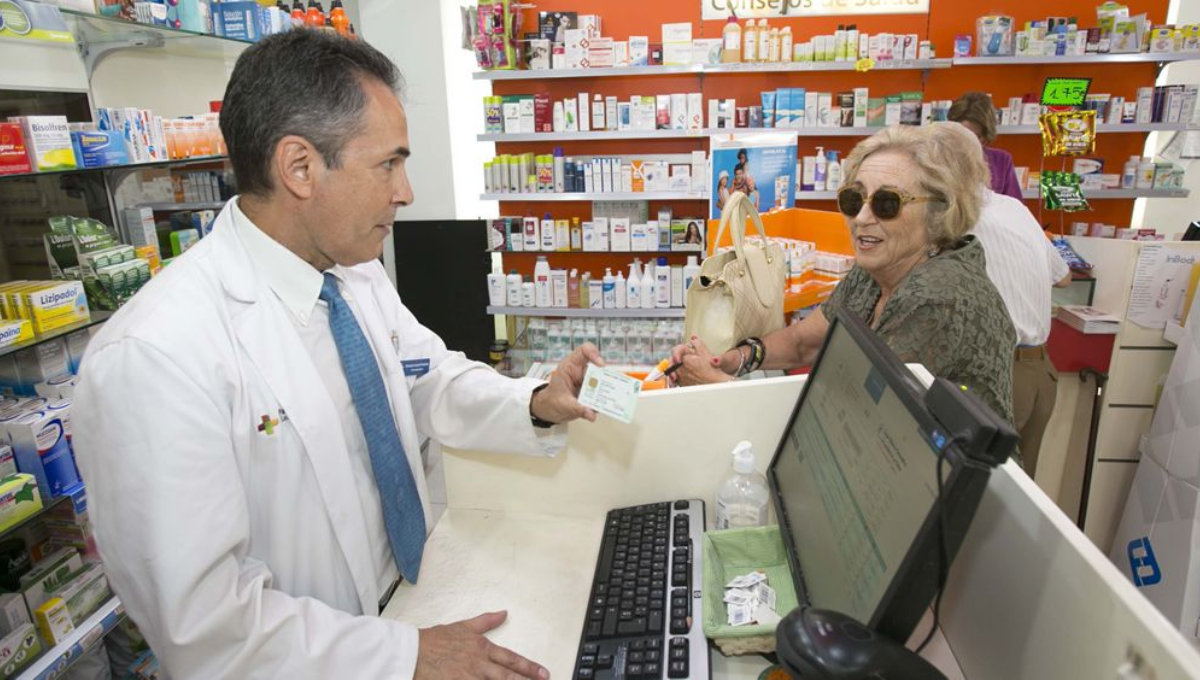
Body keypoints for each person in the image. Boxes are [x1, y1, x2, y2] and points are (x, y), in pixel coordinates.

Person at [72, 31, 600, 679]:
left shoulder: (353, 271)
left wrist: (536, 403)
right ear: (299, 167)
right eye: (389, 164)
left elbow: (428, 379)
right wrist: (404, 655)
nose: (406, 192)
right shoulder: (155, 356)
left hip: (413, 597)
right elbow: (204, 625)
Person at [671, 123, 1018, 431]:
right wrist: (736, 359)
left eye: (887, 203)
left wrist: (717, 384)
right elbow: (804, 342)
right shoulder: (876, 271)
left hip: (955, 489)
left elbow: (854, 421)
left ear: (939, 211)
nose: (862, 218)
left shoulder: (938, 296)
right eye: (854, 199)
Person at [952, 124, 1073, 476]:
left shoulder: (957, 215)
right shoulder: (1016, 209)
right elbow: (1064, 277)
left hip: (1001, 374)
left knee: (976, 489)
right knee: (1020, 491)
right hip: (1041, 374)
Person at [948, 92, 1024, 201]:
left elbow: (1015, 208)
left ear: (986, 135)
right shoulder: (936, 158)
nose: (965, 142)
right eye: (959, 134)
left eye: (974, 137)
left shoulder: (1001, 161)